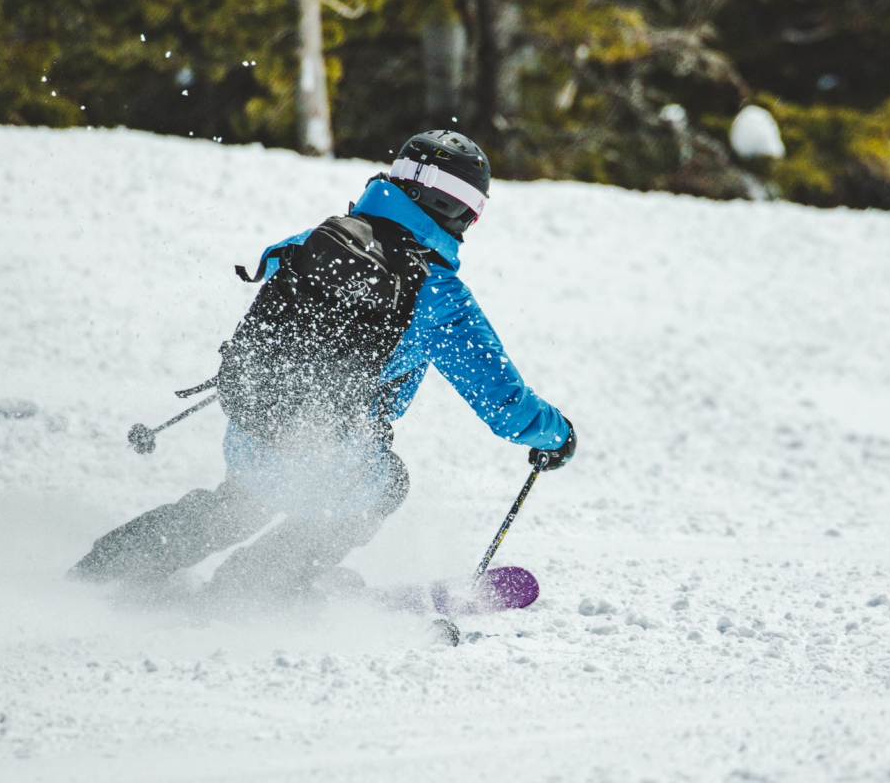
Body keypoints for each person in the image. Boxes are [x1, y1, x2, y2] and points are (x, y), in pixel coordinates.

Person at [70, 130, 575, 603]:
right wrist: (557, 436)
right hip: (329, 452)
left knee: (239, 504)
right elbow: (507, 409)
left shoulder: (323, 237)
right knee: (387, 482)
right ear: (459, 213)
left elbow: (269, 263)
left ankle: (107, 565)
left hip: (253, 422)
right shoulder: (439, 296)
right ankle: (253, 588)